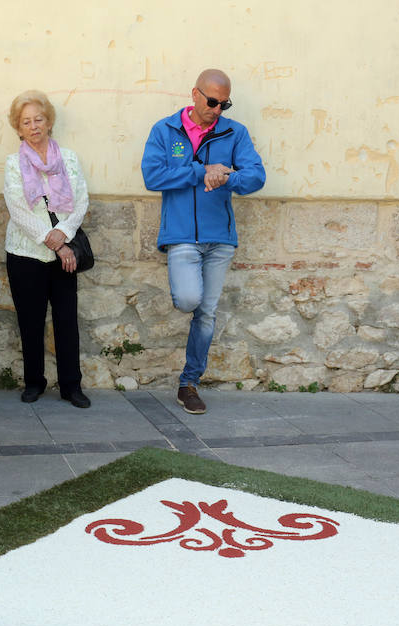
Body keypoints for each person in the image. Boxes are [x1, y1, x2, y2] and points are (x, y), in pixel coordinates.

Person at [141, 69, 265, 414]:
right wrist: (202, 170)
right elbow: (153, 175)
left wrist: (228, 175)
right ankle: (190, 362)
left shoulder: (235, 132)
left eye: (225, 103)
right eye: (212, 101)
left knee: (207, 314)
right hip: (180, 237)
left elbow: (256, 177)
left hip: (220, 239)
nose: (218, 109)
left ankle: (189, 383)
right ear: (195, 94)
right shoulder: (165, 130)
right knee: (189, 300)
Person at [3, 90, 90, 409]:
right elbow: (17, 209)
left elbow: (81, 201)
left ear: (49, 121)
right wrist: (53, 240)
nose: (34, 125)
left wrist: (64, 236)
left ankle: (71, 385)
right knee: (30, 320)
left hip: (64, 252)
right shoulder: (14, 164)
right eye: (26, 121)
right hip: (25, 253)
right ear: (19, 128)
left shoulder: (68, 159)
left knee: (67, 320)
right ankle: (34, 382)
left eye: (38, 119)